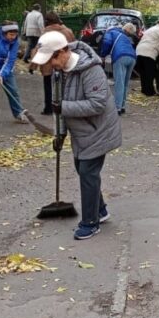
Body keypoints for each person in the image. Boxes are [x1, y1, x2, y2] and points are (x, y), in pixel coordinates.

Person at [31, 31, 121, 240]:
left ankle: (90, 222)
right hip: (80, 131)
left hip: (98, 130)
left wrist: (63, 107)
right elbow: (57, 107)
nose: (50, 64)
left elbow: (97, 104)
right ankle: (101, 210)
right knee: (82, 170)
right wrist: (59, 135)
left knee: (88, 173)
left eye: (52, 58)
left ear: (64, 51)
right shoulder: (58, 73)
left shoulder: (91, 70)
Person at [33, 12, 66, 114]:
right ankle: (64, 108)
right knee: (65, 86)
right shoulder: (67, 31)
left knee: (48, 86)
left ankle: (48, 108)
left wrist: (32, 66)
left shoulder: (45, 33)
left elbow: (39, 50)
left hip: (48, 64)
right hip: (63, 63)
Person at [101, 21, 138, 113]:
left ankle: (117, 107)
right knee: (125, 83)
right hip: (133, 58)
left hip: (120, 57)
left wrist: (103, 55)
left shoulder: (111, 32)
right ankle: (122, 106)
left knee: (119, 83)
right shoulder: (125, 37)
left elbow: (107, 42)